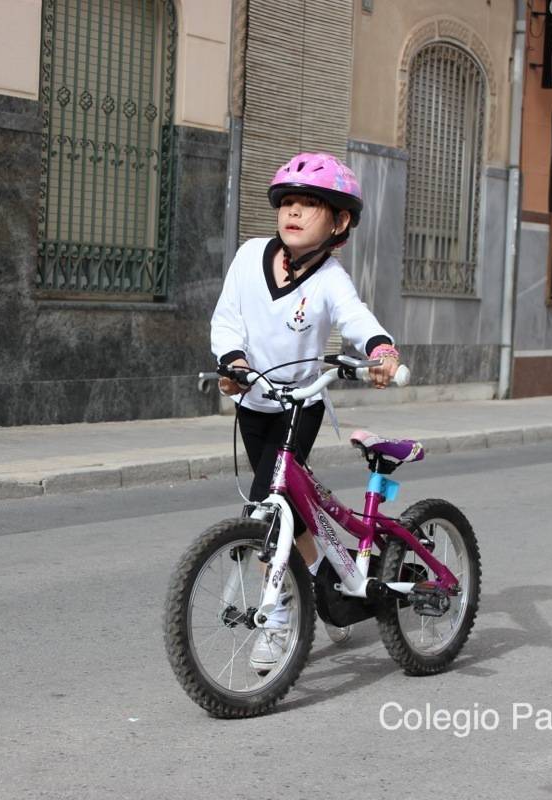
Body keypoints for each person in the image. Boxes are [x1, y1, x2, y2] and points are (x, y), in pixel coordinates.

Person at [210, 152, 400, 671]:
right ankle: (325, 591)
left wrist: (381, 350)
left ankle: (278, 618)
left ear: (338, 222)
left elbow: (354, 316)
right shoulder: (250, 255)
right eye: (287, 202)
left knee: (266, 510)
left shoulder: (330, 277)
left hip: (301, 403)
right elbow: (227, 317)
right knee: (289, 510)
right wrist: (233, 360)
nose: (293, 212)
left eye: (309, 205)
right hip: (252, 399)